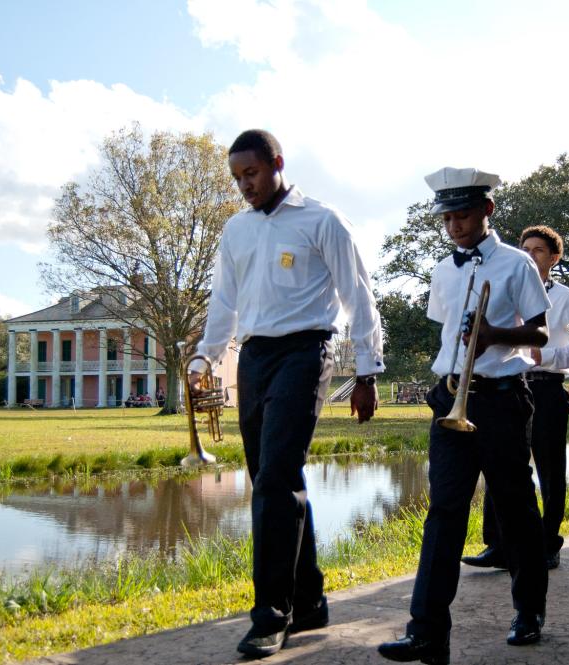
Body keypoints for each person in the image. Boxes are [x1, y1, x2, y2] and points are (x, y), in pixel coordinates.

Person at [190, 129, 384, 658]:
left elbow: (359, 297)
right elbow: (223, 300)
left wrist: (366, 374)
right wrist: (206, 356)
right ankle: (309, 599)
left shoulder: (322, 220)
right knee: (273, 479)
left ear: (276, 163)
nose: (244, 186)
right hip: (254, 358)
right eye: (236, 178)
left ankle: (270, 615)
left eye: (251, 174)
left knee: (275, 479)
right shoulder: (235, 230)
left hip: (306, 352)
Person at [378, 167, 550, 663]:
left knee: (515, 509)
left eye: (463, 214)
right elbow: (446, 330)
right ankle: (427, 630)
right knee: (443, 513)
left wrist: (496, 335)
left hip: (501, 397)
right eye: (447, 217)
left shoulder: (518, 264)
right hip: (451, 396)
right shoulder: (441, 269)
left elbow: (540, 335)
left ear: (487, 211)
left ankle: (529, 610)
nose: (454, 225)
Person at [462, 225, 569, 571]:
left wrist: (545, 357)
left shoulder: (566, 298)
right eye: (525, 248)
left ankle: (548, 542)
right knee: (500, 465)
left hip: (547, 386)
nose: (530, 255)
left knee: (550, 469)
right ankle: (498, 545)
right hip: (508, 385)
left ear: (554, 257)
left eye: (538, 250)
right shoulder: (507, 288)